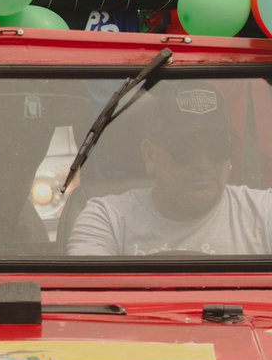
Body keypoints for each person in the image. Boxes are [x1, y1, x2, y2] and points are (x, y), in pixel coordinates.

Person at [67, 85, 272, 256]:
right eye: (185, 149)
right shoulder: (108, 219)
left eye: (218, 147)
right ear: (150, 155)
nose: (203, 164)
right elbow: (92, 296)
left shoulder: (264, 213)